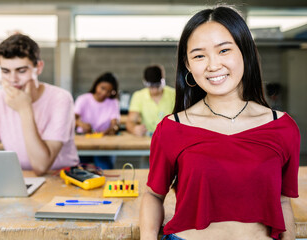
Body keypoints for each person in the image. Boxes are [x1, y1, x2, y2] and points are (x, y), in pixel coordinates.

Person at [140, 6, 300, 240]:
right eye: (199, 55)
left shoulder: (283, 128)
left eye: (224, 50)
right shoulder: (172, 128)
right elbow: (153, 195)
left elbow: (282, 200)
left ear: (244, 51)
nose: (213, 65)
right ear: (188, 65)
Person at [0, 34, 79, 176]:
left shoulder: (61, 99)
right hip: (20, 177)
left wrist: (24, 109)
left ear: (38, 67)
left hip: (60, 178)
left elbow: (41, 166)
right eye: (5, 71)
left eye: (21, 71)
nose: (13, 80)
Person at [74, 72, 120, 169]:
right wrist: (80, 124)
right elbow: (72, 119)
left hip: (103, 144)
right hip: (84, 142)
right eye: (102, 88)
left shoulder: (113, 102)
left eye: (109, 91)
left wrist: (110, 130)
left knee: (105, 167)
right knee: (78, 169)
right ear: (96, 85)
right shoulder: (83, 99)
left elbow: (114, 124)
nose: (104, 93)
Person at [126, 65, 175, 137]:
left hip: (170, 137)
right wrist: (134, 129)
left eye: (157, 86)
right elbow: (130, 121)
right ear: (145, 82)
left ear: (163, 81)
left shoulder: (174, 94)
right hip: (148, 139)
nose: (155, 90)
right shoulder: (139, 96)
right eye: (151, 86)